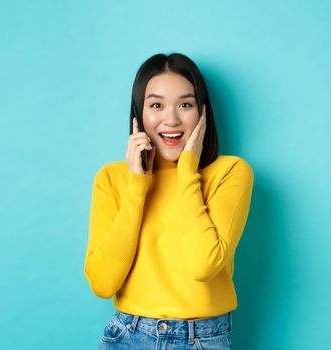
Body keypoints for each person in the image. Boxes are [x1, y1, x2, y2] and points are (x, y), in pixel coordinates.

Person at [84, 52, 254, 349]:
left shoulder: (230, 173)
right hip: (127, 334)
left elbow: (204, 265)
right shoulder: (111, 179)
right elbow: (102, 283)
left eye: (185, 104)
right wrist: (138, 184)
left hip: (200, 338)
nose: (171, 119)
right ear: (139, 114)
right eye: (157, 105)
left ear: (202, 113)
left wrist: (188, 168)